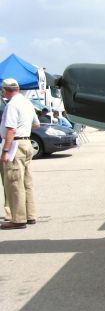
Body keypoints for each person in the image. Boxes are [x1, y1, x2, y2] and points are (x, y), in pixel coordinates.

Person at [0, 78, 39, 229]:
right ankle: (30, 215)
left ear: (5, 90)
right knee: (26, 182)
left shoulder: (12, 105)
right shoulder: (26, 102)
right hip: (26, 142)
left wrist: (5, 150)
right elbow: (37, 124)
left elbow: (11, 129)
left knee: (14, 182)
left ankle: (18, 219)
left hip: (15, 144)